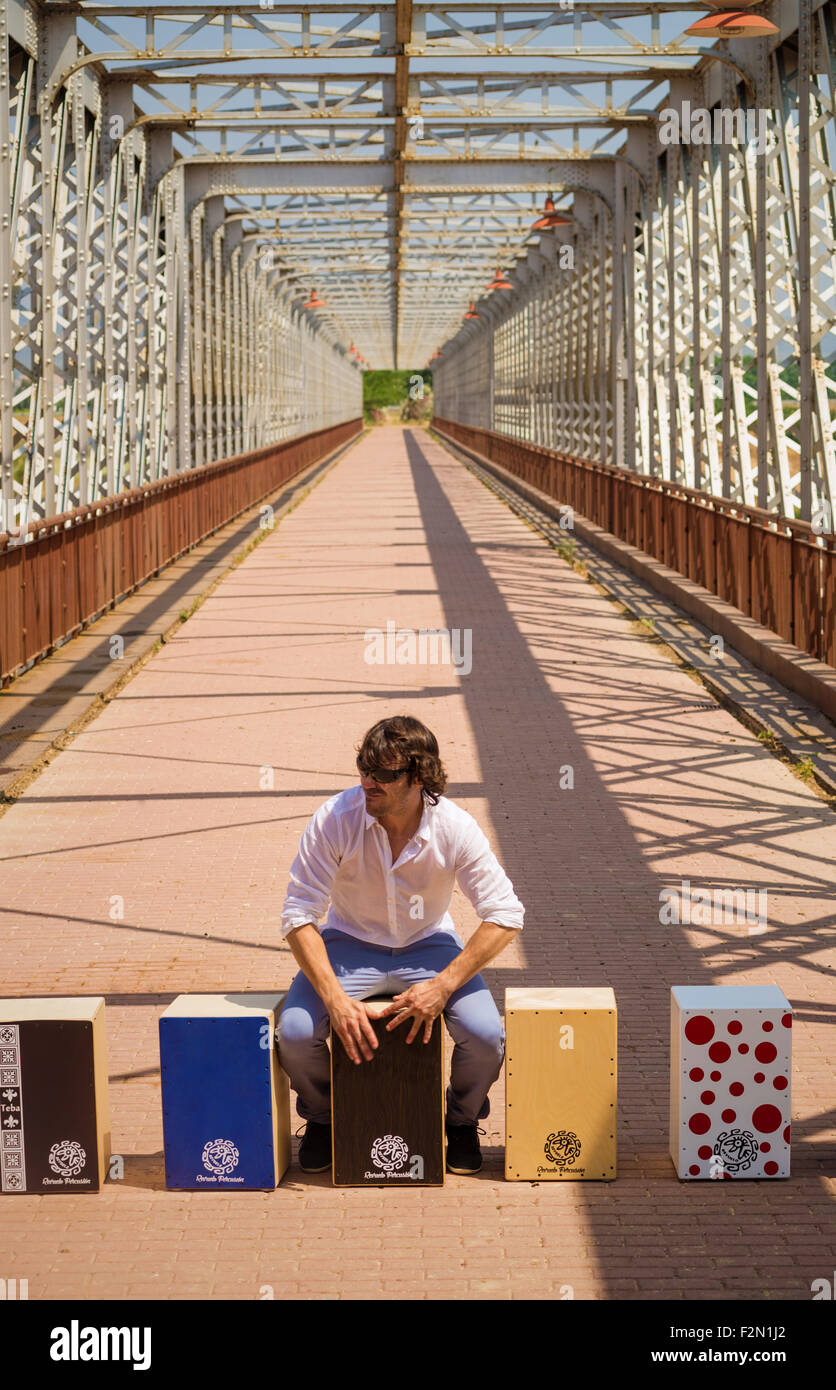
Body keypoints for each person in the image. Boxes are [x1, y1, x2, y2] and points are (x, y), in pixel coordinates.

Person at [275, 714, 524, 1175]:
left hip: (429, 945)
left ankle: (461, 1119)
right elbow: (297, 915)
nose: (368, 782)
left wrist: (443, 985)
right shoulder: (335, 818)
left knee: (487, 1035)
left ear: (419, 777)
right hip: (348, 943)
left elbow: (506, 915)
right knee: (293, 1033)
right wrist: (334, 998)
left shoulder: (454, 827)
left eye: (384, 775)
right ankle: (324, 1118)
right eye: (363, 767)